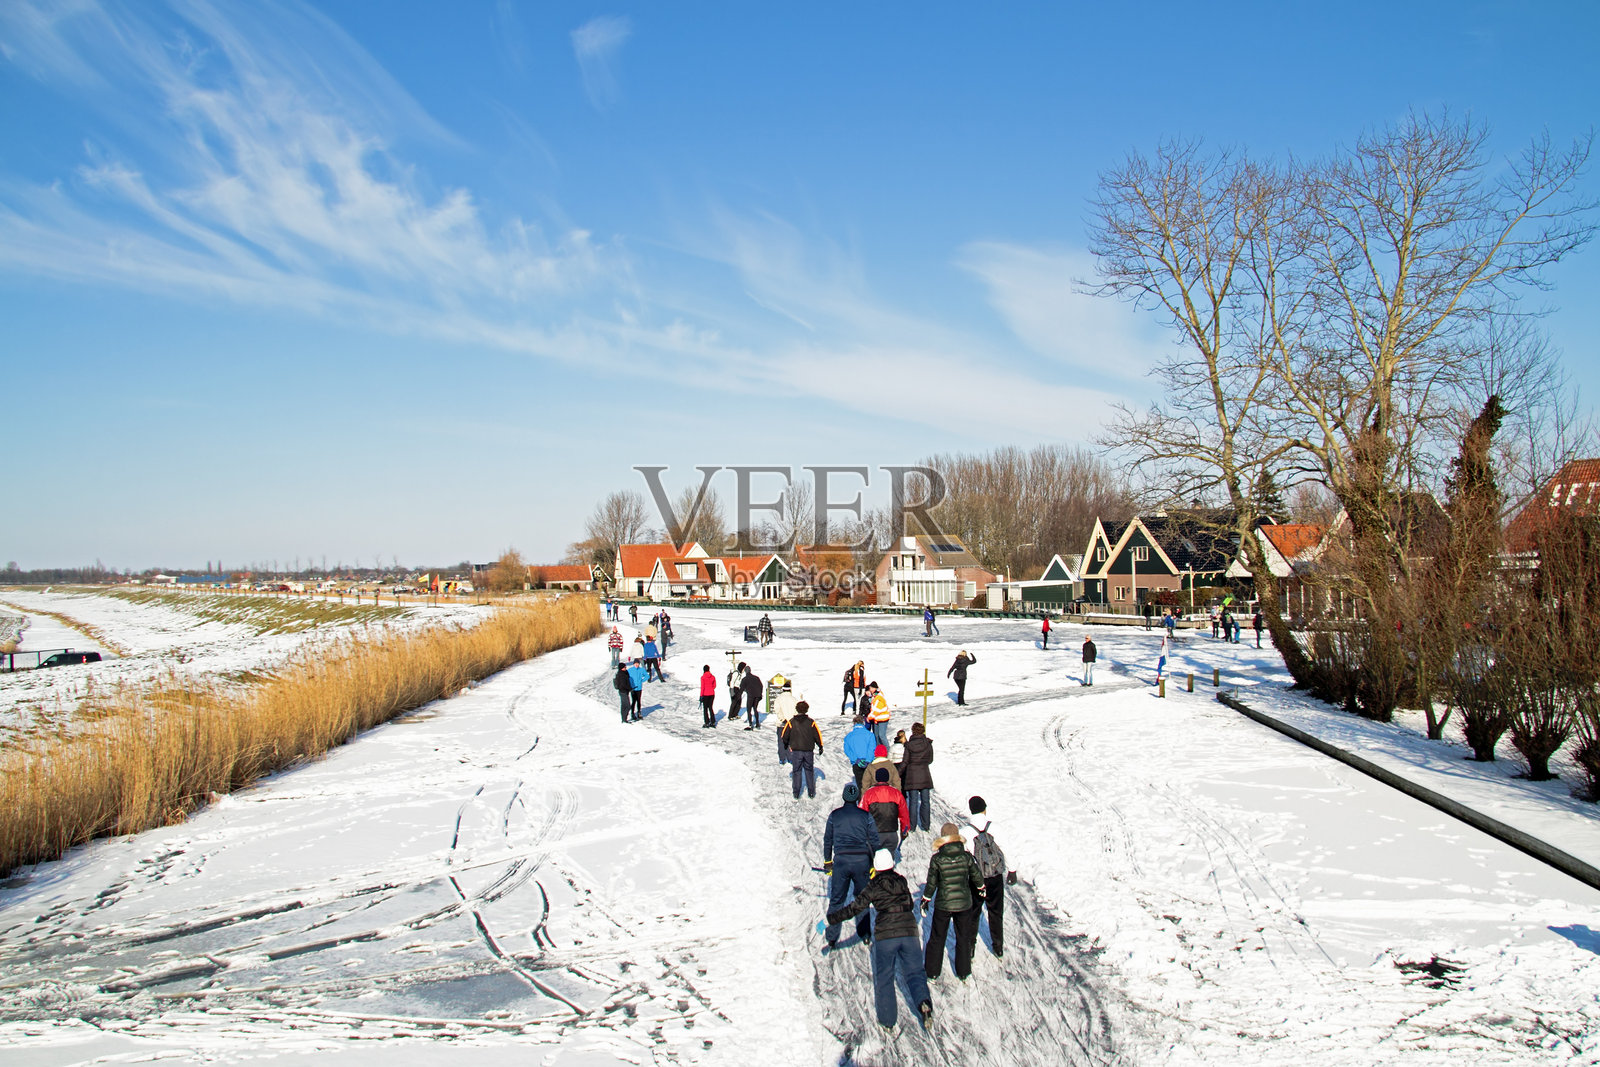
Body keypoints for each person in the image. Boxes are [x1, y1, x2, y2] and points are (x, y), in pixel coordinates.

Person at [824, 848, 933, 1031]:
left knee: (885, 977)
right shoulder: (901, 880)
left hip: (886, 934)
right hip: (909, 930)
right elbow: (909, 903)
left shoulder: (873, 885)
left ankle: (888, 1021)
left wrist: (832, 918)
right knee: (915, 972)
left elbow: (855, 908)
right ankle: (924, 1002)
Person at [920, 822, 986, 982]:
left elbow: (932, 882)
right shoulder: (966, 856)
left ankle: (932, 972)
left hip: (944, 904)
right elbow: (976, 875)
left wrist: (926, 899)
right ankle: (963, 972)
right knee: (963, 937)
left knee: (937, 937)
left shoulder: (937, 859)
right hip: (964, 904)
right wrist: (981, 887)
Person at [822, 782, 878, 947]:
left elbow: (828, 840)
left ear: (844, 797)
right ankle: (865, 934)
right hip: (862, 861)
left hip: (841, 861)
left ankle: (832, 937)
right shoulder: (865, 815)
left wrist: (828, 862)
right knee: (862, 898)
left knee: (837, 900)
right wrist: (875, 863)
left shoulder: (835, 815)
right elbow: (874, 839)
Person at [960, 796, 1016, 959]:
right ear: (984, 808)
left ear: (971, 810)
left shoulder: (964, 832)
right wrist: (1012, 871)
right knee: (996, 912)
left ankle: (970, 947)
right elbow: (1006, 848)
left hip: (976, 878)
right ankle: (998, 947)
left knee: (974, 912)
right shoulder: (995, 828)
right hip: (995, 876)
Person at [860, 767, 909, 863]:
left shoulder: (869, 794)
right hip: (891, 833)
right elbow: (904, 814)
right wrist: (905, 830)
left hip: (874, 834)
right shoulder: (896, 793)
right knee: (888, 861)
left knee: (874, 861)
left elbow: (861, 813)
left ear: (876, 778)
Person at [782, 700, 824, 799]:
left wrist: (786, 744)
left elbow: (784, 735)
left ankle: (796, 792)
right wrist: (820, 746)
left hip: (796, 751)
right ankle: (811, 792)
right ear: (806, 709)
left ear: (797, 709)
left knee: (797, 771)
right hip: (808, 751)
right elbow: (817, 735)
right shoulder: (811, 722)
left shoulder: (791, 722)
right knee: (809, 770)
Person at [899, 721, 934, 833]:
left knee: (913, 802)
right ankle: (926, 825)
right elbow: (930, 760)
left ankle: (912, 826)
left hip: (912, 776)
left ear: (913, 731)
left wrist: (897, 773)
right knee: (925, 801)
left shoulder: (909, 745)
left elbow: (905, 761)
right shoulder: (928, 744)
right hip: (924, 775)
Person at [843, 716, 878, 782]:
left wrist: (856, 759)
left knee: (860, 786)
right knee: (870, 787)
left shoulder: (848, 736)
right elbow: (872, 748)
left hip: (856, 763)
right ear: (863, 723)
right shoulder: (870, 735)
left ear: (854, 723)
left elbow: (847, 750)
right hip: (869, 764)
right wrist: (868, 760)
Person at [726, 661, 745, 726]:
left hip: (737, 688)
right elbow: (732, 681)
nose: (744, 669)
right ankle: (730, 715)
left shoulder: (740, 673)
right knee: (734, 702)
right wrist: (732, 691)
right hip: (734, 688)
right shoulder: (736, 673)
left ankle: (735, 714)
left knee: (739, 701)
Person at [698, 664, 718, 728]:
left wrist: (701, 696)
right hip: (712, 694)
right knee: (710, 707)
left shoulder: (703, 677)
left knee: (705, 709)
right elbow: (714, 686)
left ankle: (707, 722)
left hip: (705, 694)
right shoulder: (713, 677)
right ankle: (713, 721)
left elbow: (702, 687)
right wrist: (711, 688)